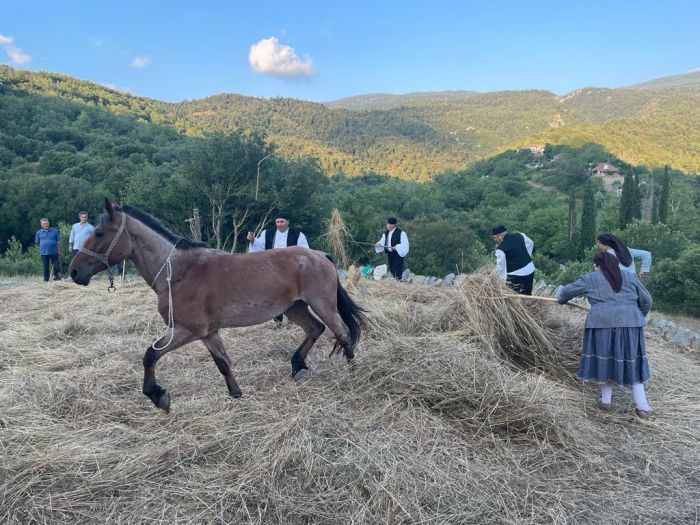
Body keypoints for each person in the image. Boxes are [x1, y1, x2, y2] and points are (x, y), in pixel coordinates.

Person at [557, 251, 654, 419]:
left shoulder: (590, 278)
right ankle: (642, 407)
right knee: (633, 361)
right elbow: (647, 301)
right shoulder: (630, 277)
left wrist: (561, 300)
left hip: (602, 325)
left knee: (604, 358)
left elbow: (565, 292)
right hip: (631, 324)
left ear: (597, 265)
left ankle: (606, 401)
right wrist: (635, 316)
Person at [246, 212, 309, 326]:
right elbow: (259, 247)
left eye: (282, 222)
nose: (279, 224)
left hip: (291, 271)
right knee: (276, 295)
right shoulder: (267, 233)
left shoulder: (297, 234)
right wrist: (252, 240)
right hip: (273, 271)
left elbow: (305, 251)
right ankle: (277, 322)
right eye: (277, 222)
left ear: (287, 222)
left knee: (292, 295)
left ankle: (293, 321)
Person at [490, 225, 535, 295]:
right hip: (530, 269)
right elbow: (530, 243)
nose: (494, 240)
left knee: (511, 296)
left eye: (494, 237)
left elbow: (501, 268)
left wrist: (501, 281)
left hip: (516, 275)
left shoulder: (500, 249)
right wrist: (525, 256)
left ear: (500, 236)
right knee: (527, 294)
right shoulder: (520, 235)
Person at [35, 217, 61, 282]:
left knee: (56, 266)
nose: (46, 225)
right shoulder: (38, 232)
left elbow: (58, 242)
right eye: (44, 224)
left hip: (54, 252)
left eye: (47, 223)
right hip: (44, 253)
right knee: (45, 267)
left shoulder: (55, 231)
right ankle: (46, 280)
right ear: (41, 225)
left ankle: (57, 278)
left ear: (49, 223)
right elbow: (37, 242)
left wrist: (59, 251)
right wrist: (43, 246)